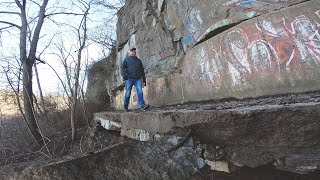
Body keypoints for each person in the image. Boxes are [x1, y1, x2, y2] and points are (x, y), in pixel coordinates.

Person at [121, 47, 149, 112]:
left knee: (140, 91)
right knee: (128, 93)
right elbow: (122, 68)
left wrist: (144, 80)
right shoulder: (126, 60)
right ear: (129, 52)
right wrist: (124, 76)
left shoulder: (139, 61)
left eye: (134, 50)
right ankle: (125, 106)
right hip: (129, 79)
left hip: (138, 79)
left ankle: (142, 105)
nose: (133, 51)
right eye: (132, 50)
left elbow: (142, 71)